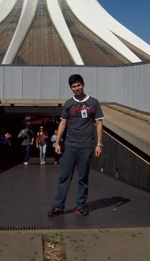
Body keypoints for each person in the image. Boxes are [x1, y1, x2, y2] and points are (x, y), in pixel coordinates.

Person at [48, 74, 104, 217]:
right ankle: (58, 207)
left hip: (86, 146)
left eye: (78, 85)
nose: (77, 88)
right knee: (64, 177)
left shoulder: (93, 102)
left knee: (83, 177)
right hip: (70, 145)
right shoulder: (68, 104)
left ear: (83, 85)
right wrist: (58, 142)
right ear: (71, 88)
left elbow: (99, 123)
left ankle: (81, 206)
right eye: (74, 86)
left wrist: (99, 144)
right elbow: (63, 123)